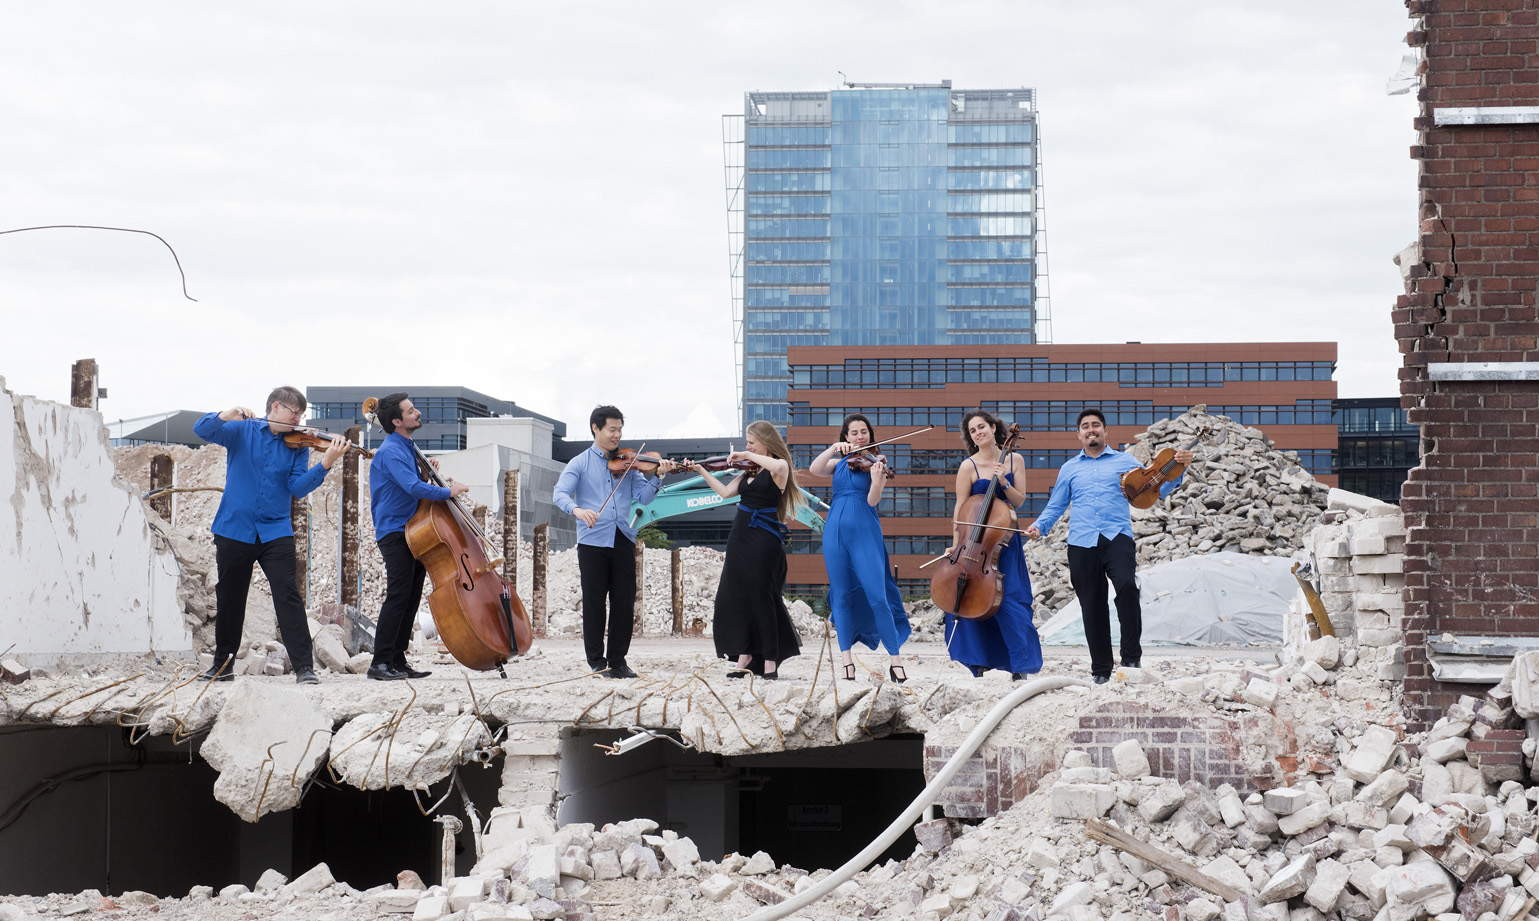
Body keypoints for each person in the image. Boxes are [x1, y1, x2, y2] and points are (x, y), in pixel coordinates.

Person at [193, 386, 347, 684]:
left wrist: (326, 462)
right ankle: (222, 668)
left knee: (287, 595)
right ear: (276, 407)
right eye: (295, 413)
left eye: (301, 414)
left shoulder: (298, 445)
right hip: (234, 528)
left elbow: (298, 488)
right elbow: (203, 429)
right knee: (230, 598)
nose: (299, 420)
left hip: (275, 530)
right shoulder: (241, 431)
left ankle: (305, 668)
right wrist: (227, 413)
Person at [1026, 408, 1191, 684]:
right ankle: (1101, 670)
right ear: (1078, 434)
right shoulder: (1069, 469)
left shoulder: (1124, 461)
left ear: (1105, 431)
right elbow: (1056, 505)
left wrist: (1178, 470)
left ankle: (1131, 658)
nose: (1091, 430)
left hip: (1117, 538)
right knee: (1092, 606)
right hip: (1081, 543)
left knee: (1127, 587)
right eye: (1086, 426)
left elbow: (1155, 489)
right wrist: (1039, 527)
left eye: (1096, 426)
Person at [682, 421, 803, 679]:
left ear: (764, 442)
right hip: (740, 536)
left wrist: (747, 455)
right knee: (735, 596)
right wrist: (702, 469)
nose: (746, 447)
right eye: (747, 443)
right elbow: (725, 493)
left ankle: (770, 660)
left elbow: (782, 465)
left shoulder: (775, 469)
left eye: (751, 442)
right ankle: (744, 655)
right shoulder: (749, 472)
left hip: (763, 539)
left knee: (761, 597)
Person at [366, 392, 471, 681]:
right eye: (411, 411)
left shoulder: (407, 447)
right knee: (398, 595)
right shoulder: (390, 451)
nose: (417, 413)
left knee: (410, 597)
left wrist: (427, 474)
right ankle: (379, 663)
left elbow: (412, 484)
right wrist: (448, 491)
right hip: (395, 531)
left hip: (414, 530)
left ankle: (398, 660)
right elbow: (413, 488)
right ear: (397, 421)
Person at [552, 405, 663, 679]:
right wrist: (578, 510)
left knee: (624, 601)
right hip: (592, 541)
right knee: (594, 602)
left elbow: (644, 497)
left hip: (623, 537)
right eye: (612, 429)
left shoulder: (629, 463)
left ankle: (618, 661)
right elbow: (560, 493)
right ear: (596, 429)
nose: (618, 435)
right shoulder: (579, 463)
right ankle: (596, 662)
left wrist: (658, 476)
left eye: (620, 429)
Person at [808, 413, 911, 683]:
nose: (859, 436)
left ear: (870, 435)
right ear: (846, 437)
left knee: (878, 596)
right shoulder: (839, 462)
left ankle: (896, 662)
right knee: (841, 595)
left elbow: (873, 500)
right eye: (853, 433)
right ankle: (847, 663)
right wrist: (832, 448)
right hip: (834, 532)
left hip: (864, 531)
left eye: (863, 431)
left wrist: (877, 480)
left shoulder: (877, 462)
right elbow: (813, 470)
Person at [941, 409, 1042, 680]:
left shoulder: (1015, 459)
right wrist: (955, 545)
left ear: (994, 428)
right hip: (973, 545)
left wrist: (1003, 481)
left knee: (1011, 601)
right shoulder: (968, 466)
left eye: (982, 427)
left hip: (1005, 544)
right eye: (973, 430)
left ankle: (1020, 665)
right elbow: (960, 509)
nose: (978, 432)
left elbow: (1019, 501)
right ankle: (979, 661)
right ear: (971, 437)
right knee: (972, 597)